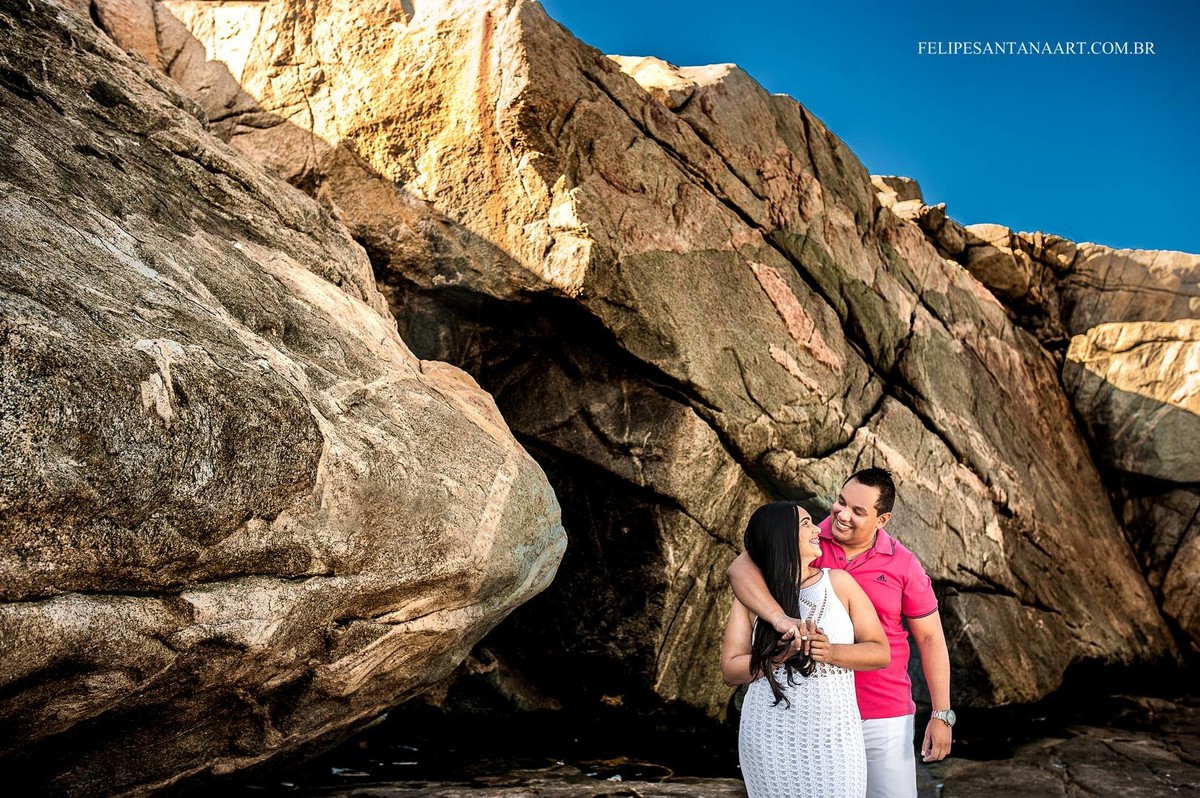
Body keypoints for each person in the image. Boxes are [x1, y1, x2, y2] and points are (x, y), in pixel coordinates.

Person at [728, 468, 953, 798]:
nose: (842, 515)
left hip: (882, 714)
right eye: (841, 501)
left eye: (858, 511)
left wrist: (941, 715)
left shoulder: (904, 565)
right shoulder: (810, 537)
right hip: (815, 715)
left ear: (882, 520)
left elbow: (931, 638)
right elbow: (739, 568)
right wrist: (781, 620)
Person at [721, 501, 890, 798]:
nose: (817, 529)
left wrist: (830, 652)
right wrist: (777, 657)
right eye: (806, 523)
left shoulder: (839, 583)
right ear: (783, 536)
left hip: (835, 739)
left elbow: (880, 652)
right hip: (768, 738)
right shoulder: (751, 596)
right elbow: (730, 670)